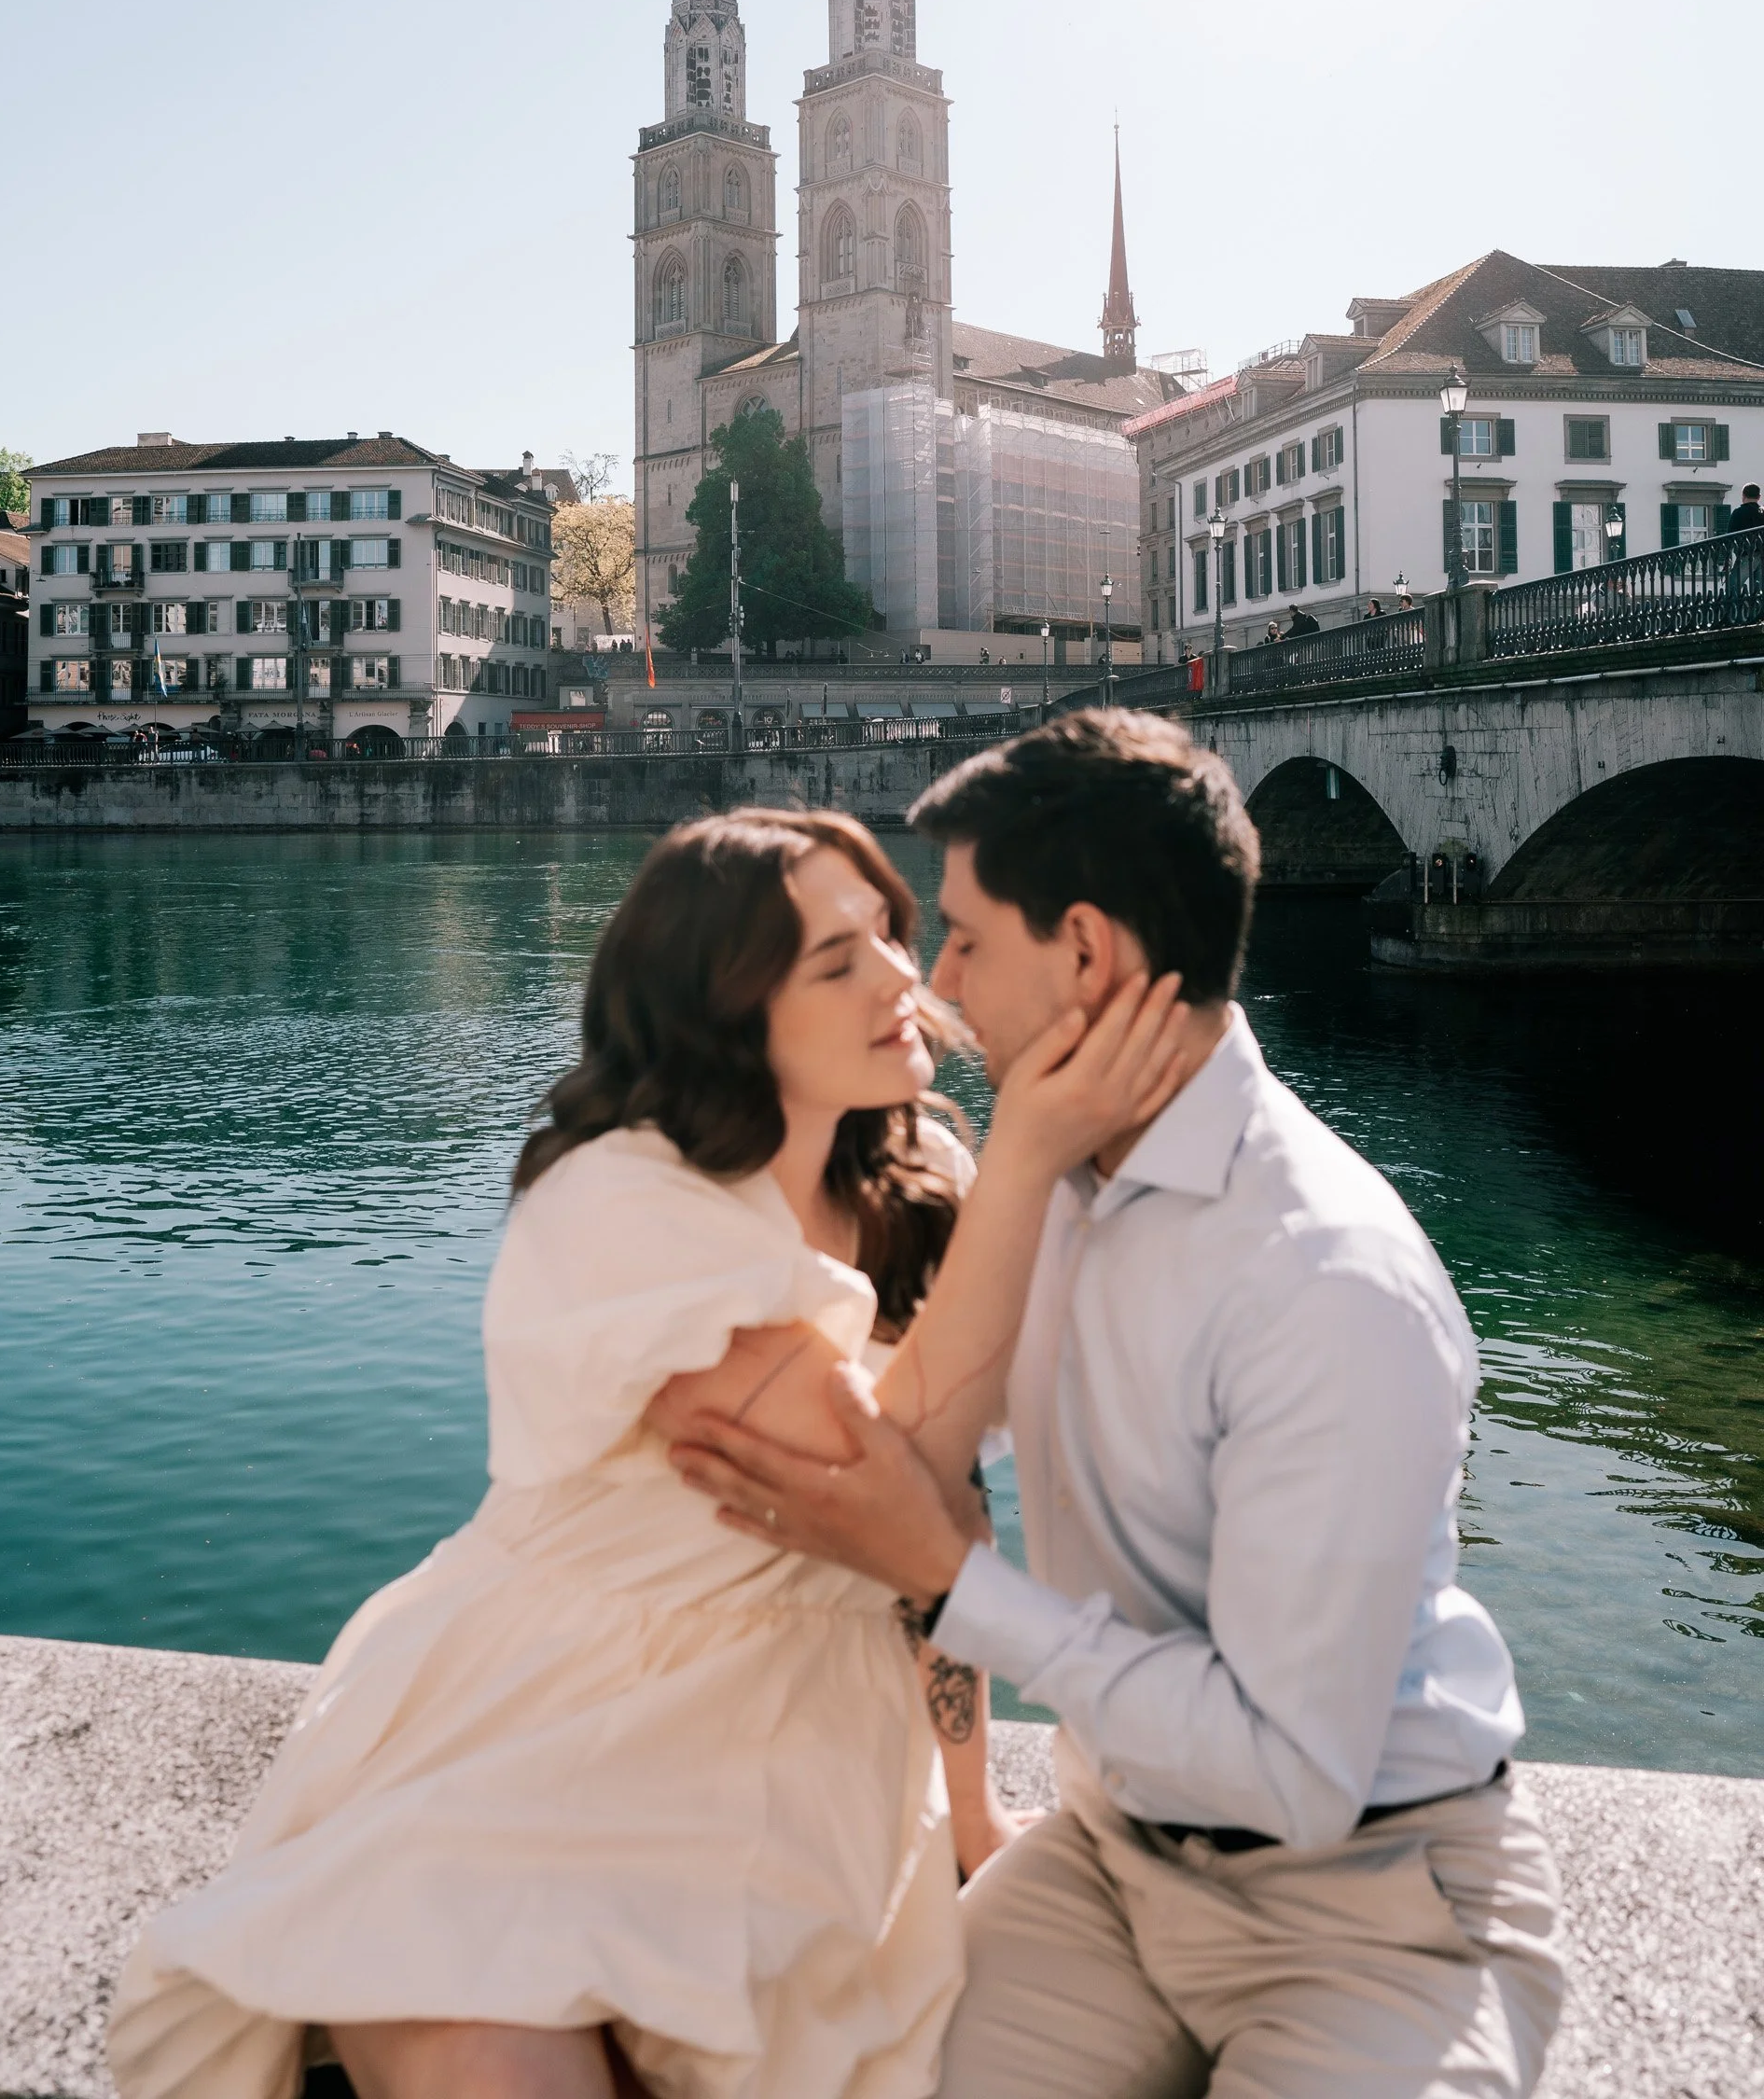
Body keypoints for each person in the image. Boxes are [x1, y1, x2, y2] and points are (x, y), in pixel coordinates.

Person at [110, 807, 1189, 2099]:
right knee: (490, 2046)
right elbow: (878, 1473)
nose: (904, 980)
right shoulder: (616, 1203)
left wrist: (968, 1821)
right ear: (722, 1009)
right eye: (838, 962)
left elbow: (936, 1534)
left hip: (802, 1768)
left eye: (894, 936)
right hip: (553, 1725)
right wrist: (1033, 1154)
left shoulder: (924, 1183)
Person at [676, 716, 1564, 2099]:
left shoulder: (1326, 1278)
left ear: (1085, 953)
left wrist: (950, 1577)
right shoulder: (1035, 1184)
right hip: (1107, 1864)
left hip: (1376, 1911)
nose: (937, 985)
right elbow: (909, 1453)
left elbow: (1293, 1775)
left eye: (964, 938)